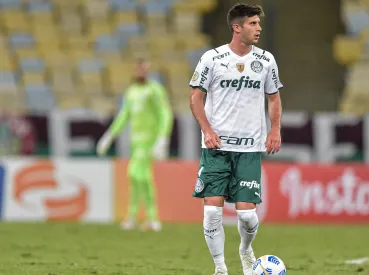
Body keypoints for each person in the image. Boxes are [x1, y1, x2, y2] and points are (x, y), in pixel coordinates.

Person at [189, 3, 283, 275]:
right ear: (237, 27)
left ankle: (245, 249)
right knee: (211, 213)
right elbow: (196, 96)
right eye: (253, 23)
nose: (259, 28)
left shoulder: (266, 61)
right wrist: (207, 130)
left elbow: (274, 97)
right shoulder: (212, 59)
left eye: (259, 23)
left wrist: (275, 129)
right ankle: (220, 268)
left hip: (250, 148)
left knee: (247, 216)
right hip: (216, 148)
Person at [96, 58, 174, 232]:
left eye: (144, 69)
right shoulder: (131, 92)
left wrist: (162, 138)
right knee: (138, 177)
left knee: (137, 175)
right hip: (136, 142)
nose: (140, 72)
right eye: (138, 69)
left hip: (149, 141)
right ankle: (147, 218)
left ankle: (142, 217)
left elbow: (165, 113)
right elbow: (124, 115)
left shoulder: (154, 90)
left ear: (148, 70)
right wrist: (109, 136)